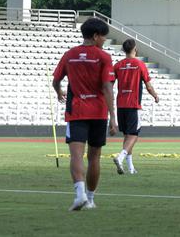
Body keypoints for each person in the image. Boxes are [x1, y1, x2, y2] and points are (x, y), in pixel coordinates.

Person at [52, 18, 118, 211]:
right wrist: (113, 117)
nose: (104, 41)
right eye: (103, 37)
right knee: (94, 157)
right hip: (98, 112)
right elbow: (107, 87)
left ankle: (79, 194)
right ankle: (90, 199)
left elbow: (55, 81)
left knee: (76, 155)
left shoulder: (69, 55)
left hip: (77, 111)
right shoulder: (104, 57)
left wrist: (59, 92)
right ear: (96, 36)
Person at [112, 38, 158, 175]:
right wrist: (155, 96)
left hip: (121, 104)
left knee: (127, 136)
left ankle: (130, 167)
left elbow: (110, 84)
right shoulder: (140, 64)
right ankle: (120, 157)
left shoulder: (118, 65)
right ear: (135, 49)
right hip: (133, 104)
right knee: (134, 135)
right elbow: (148, 86)